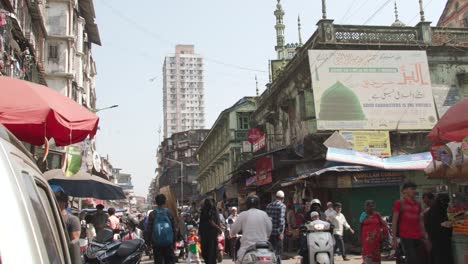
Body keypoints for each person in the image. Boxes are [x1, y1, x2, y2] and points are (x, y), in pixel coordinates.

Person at [392, 181, 428, 264]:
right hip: (406, 237)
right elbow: (394, 222)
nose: (414, 191)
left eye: (414, 189)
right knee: (412, 260)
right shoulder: (399, 203)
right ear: (404, 191)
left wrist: (425, 235)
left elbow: (420, 221)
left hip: (418, 237)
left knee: (421, 260)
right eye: (412, 189)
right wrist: (394, 239)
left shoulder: (417, 204)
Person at [230, 195, 272, 264]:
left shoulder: (243, 215)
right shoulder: (264, 214)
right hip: (264, 250)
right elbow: (269, 230)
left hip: (246, 250)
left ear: (247, 205)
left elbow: (233, 231)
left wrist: (233, 233)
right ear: (258, 204)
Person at [145, 194, 178, 264]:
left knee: (158, 261)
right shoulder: (169, 213)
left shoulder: (152, 214)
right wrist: (174, 241)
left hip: (156, 244)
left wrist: (148, 243)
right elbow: (174, 228)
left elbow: (149, 230)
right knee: (169, 261)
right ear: (165, 202)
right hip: (169, 243)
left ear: (156, 202)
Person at [425, 193, 453, 264]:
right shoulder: (439, 210)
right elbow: (443, 225)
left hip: (434, 240)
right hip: (441, 240)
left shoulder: (431, 211)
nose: (446, 204)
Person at [199, 198, 223, 264]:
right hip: (208, 235)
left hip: (210, 235)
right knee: (208, 253)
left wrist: (200, 234)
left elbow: (217, 222)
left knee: (210, 253)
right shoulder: (204, 212)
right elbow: (201, 224)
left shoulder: (214, 211)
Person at [266, 190, 287, 264]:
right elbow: (281, 220)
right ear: (282, 198)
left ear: (276, 197)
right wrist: (281, 233)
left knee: (271, 251)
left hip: (270, 233)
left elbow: (267, 220)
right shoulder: (282, 206)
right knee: (278, 252)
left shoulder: (269, 205)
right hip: (277, 233)